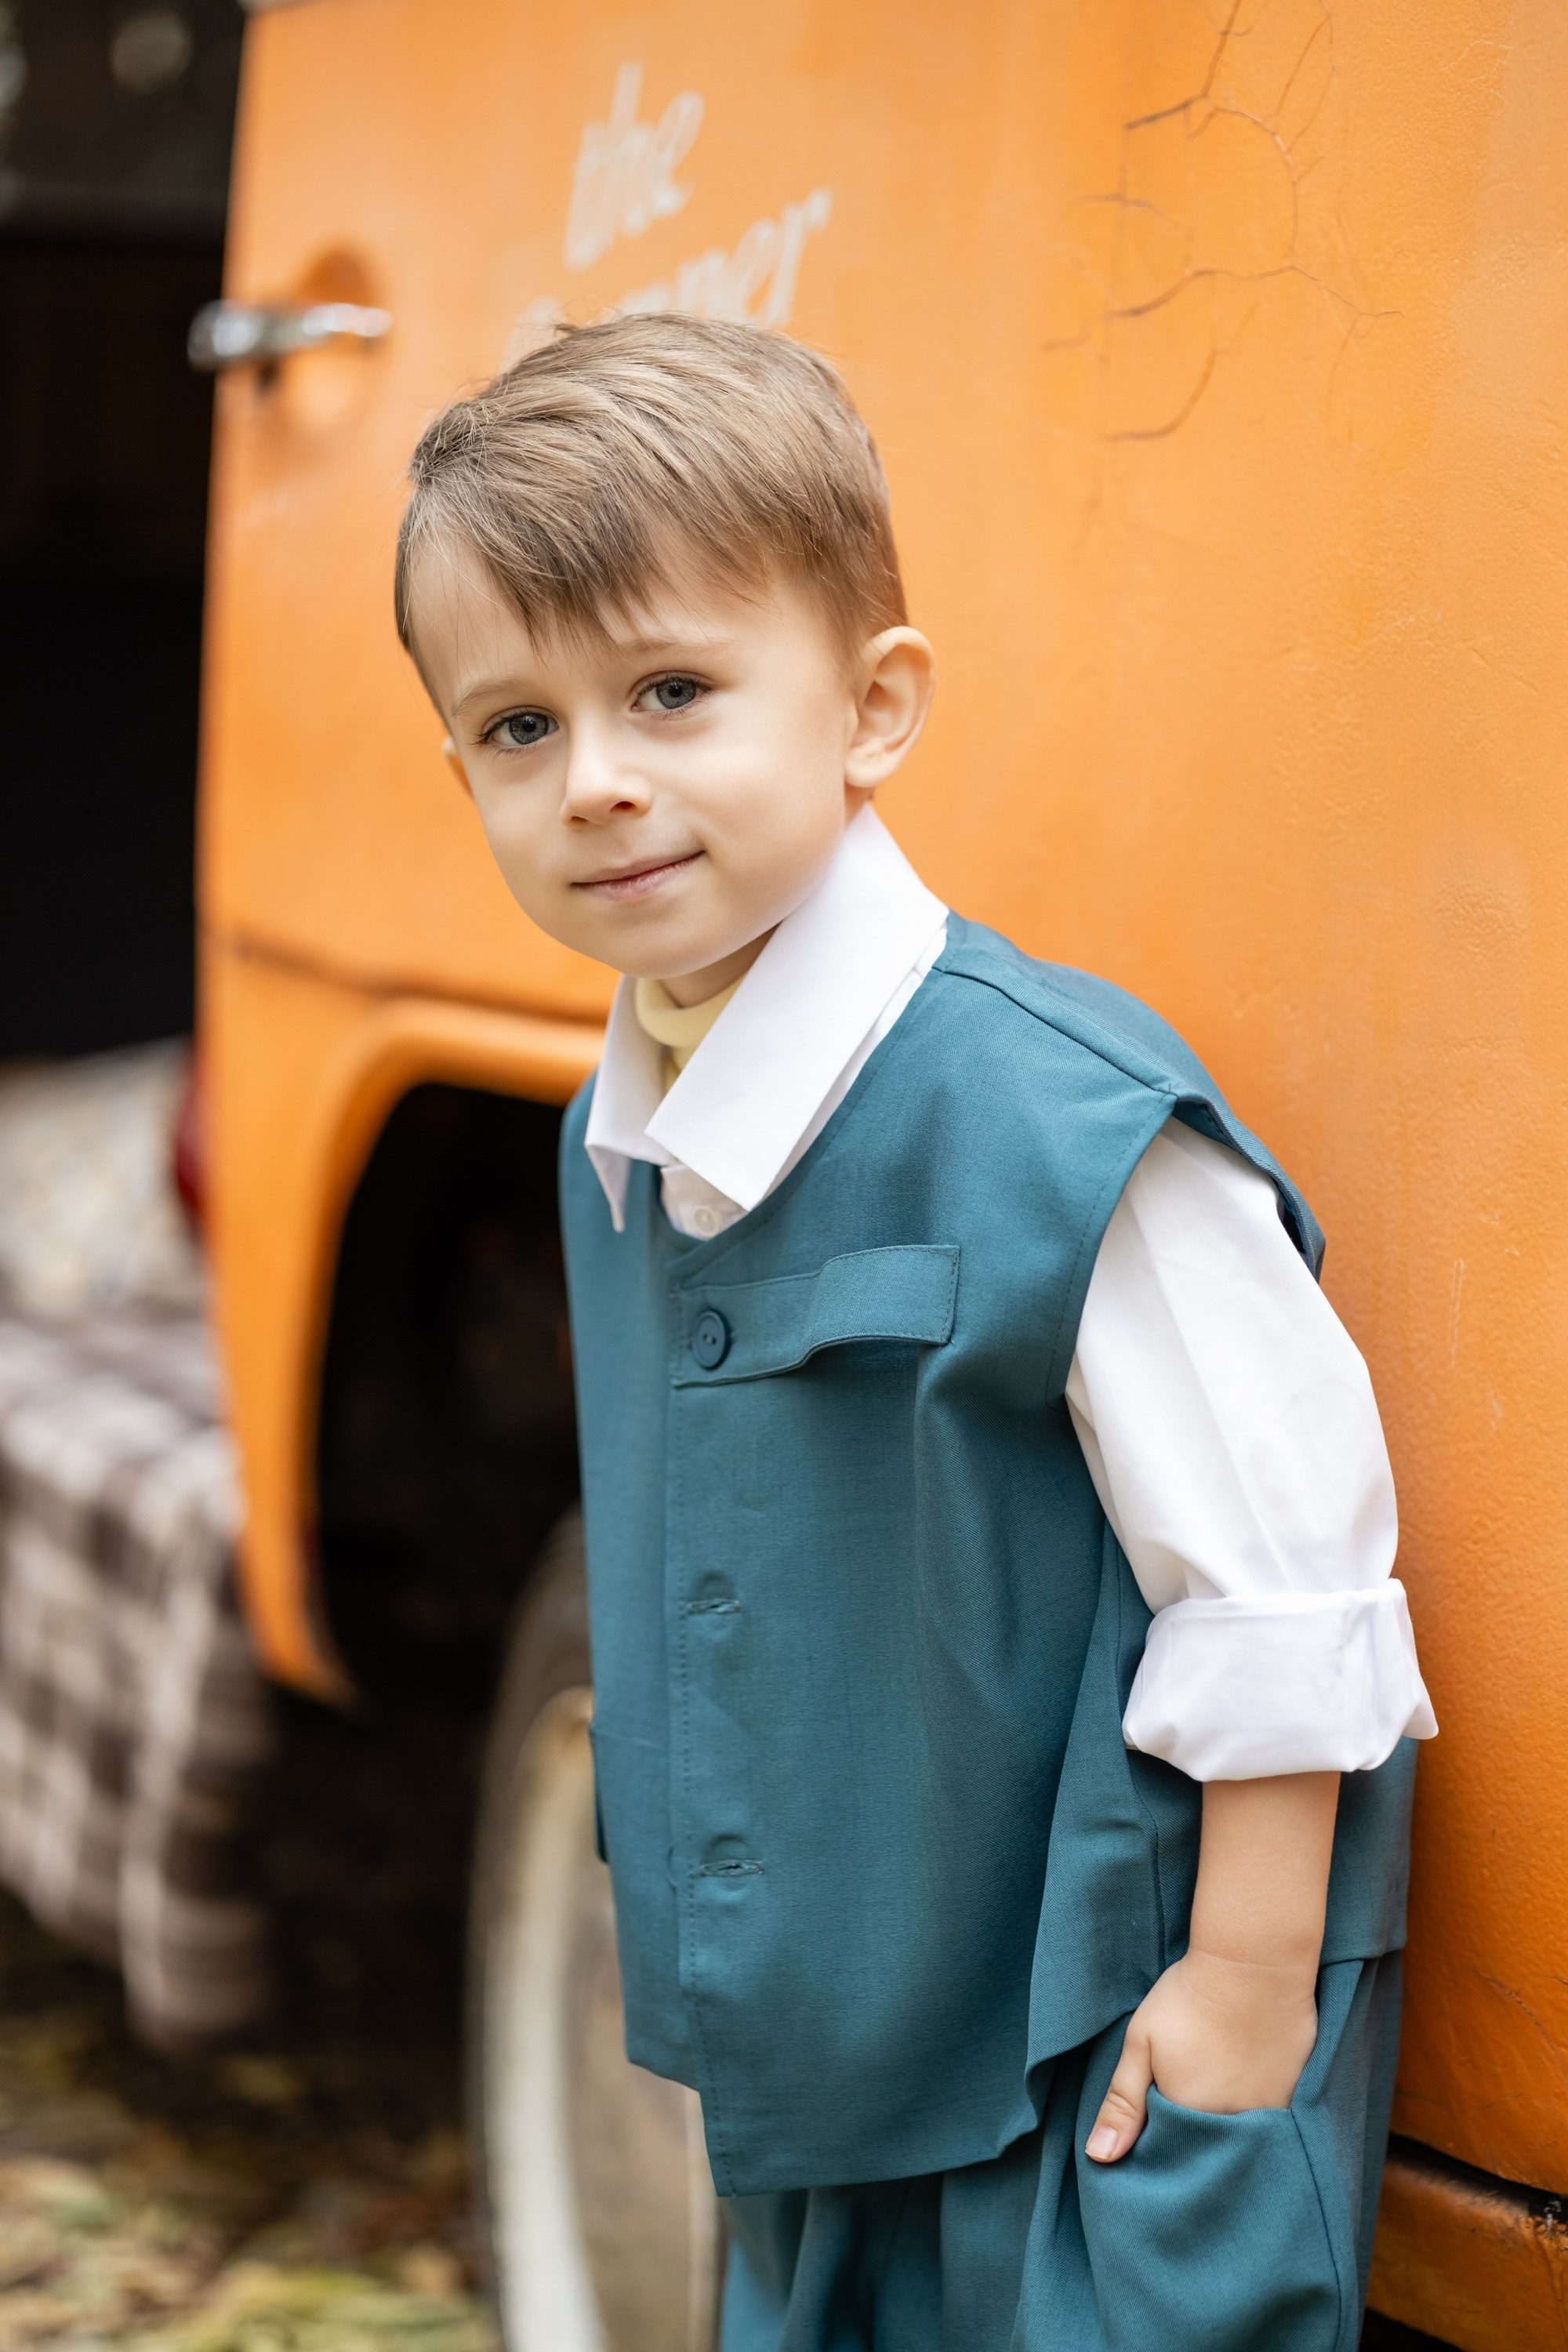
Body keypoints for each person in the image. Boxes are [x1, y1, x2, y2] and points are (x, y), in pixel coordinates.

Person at [393, 315, 1436, 2352]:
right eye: (518, 730)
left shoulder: (1059, 1123)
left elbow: (1290, 1577)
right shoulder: (616, 1142)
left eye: (672, 692)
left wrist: (1241, 1992)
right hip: (822, 2082)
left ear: (873, 709)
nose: (597, 781)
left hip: (1091, 2077)